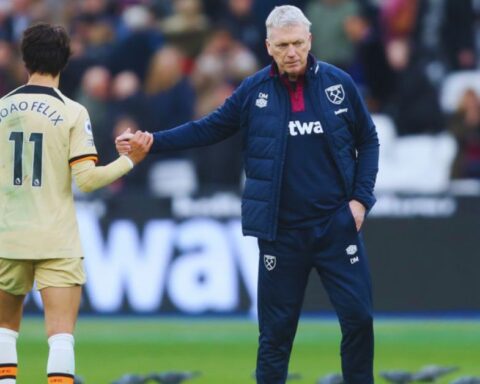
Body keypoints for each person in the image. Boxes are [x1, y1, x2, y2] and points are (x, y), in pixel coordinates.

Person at [118, 5, 379, 383]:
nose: (292, 52)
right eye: (283, 45)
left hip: (335, 226)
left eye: (298, 43)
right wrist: (152, 142)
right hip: (281, 233)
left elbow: (368, 141)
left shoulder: (340, 85)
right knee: (275, 336)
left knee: (359, 320)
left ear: (310, 41)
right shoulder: (254, 91)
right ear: (269, 47)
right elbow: (207, 129)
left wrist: (360, 200)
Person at [0, 23, 152, 384]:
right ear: (66, 61)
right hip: (55, 238)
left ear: (25, 59)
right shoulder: (72, 112)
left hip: (7, 236)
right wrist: (130, 161)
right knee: (61, 335)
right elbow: (87, 179)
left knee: (5, 329)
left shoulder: (2, 108)